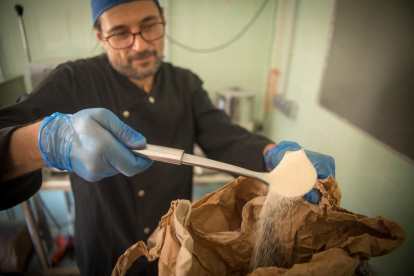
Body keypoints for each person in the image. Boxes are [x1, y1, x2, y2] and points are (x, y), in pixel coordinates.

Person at [0, 0, 335, 275]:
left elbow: (223, 135)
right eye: (119, 33)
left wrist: (273, 154)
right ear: (100, 37)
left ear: (163, 20)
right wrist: (47, 141)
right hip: (105, 249)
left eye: (149, 26)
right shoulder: (72, 80)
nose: (141, 44)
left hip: (176, 253)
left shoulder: (185, 83)